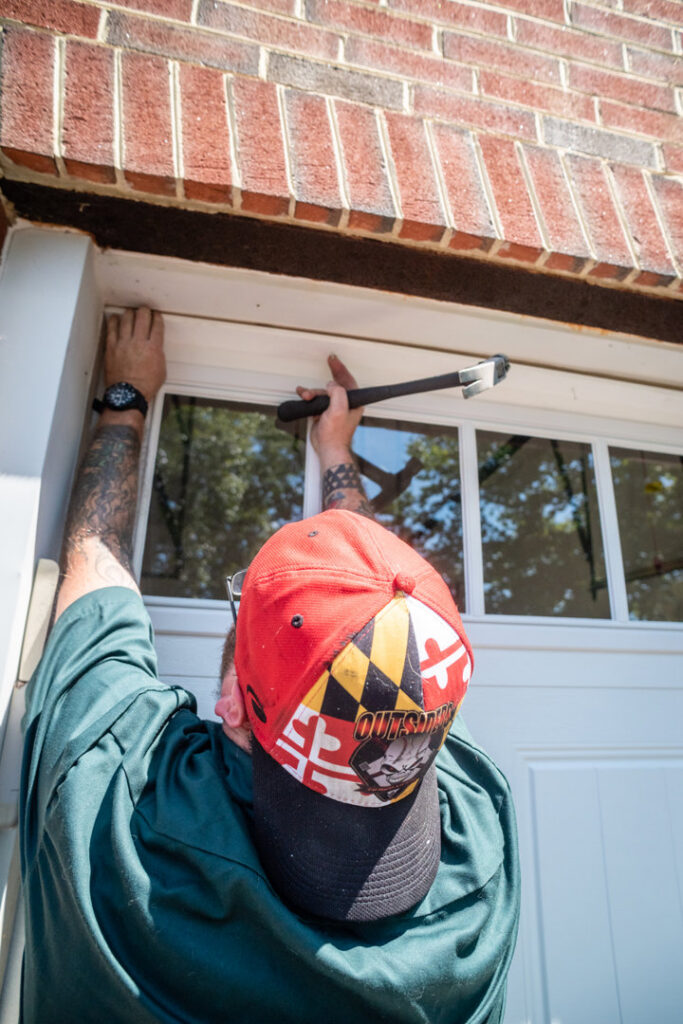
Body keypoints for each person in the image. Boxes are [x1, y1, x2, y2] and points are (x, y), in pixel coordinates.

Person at [20, 307, 520, 1023]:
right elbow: (390, 640)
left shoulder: (122, 801)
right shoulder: (478, 836)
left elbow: (96, 560)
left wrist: (126, 398)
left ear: (230, 700)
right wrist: (339, 459)